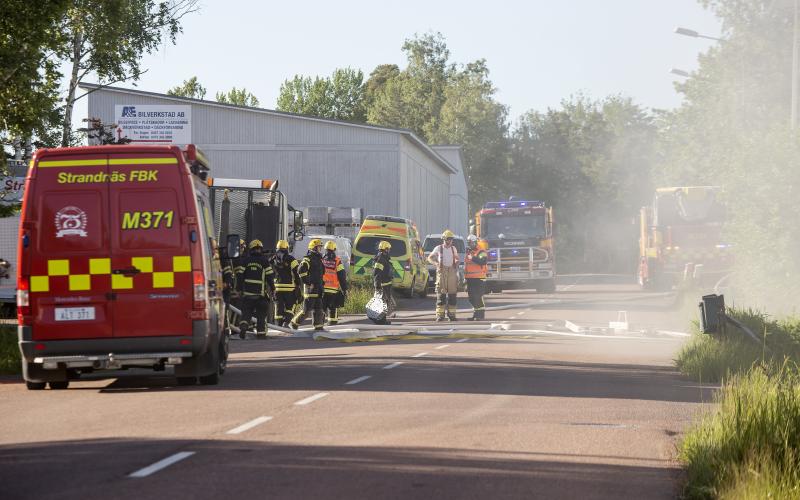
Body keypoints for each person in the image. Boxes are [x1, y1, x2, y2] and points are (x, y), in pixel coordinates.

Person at [236, 239, 275, 339]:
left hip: (248, 294)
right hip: (260, 295)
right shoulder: (264, 261)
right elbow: (270, 276)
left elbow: (240, 276)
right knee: (261, 314)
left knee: (246, 312)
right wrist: (273, 288)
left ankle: (244, 325)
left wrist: (239, 289)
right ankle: (261, 334)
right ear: (260, 249)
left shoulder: (245, 261)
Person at [290, 239, 326, 331]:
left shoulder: (319, 259)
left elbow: (321, 273)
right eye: (318, 247)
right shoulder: (307, 259)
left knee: (319, 309)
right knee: (306, 311)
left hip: (318, 288)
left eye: (320, 247)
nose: (320, 249)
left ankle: (318, 327)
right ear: (313, 248)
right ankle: (293, 323)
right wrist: (308, 283)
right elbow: (300, 271)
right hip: (310, 289)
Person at [428, 229, 460, 322]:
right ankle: (440, 316)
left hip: (451, 272)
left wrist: (457, 262)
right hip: (442, 272)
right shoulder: (438, 248)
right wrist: (436, 264)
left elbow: (456, 258)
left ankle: (452, 315)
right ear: (444, 239)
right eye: (448, 239)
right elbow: (429, 258)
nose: (450, 241)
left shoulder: (453, 248)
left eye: (451, 239)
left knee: (452, 295)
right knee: (441, 295)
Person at [272, 239, 300, 328]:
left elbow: (268, 271)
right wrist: (297, 284)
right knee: (292, 305)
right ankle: (286, 322)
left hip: (277, 287)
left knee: (278, 306)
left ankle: (278, 325)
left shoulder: (272, 259)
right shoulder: (291, 259)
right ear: (287, 248)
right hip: (289, 288)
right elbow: (297, 272)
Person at [322, 240, 348, 325]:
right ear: (334, 250)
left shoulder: (321, 260)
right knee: (333, 307)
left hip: (322, 289)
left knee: (322, 308)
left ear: (325, 249)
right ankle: (332, 324)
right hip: (333, 290)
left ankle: (319, 324)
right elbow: (342, 277)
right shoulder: (337, 261)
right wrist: (344, 289)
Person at [464, 235, 488, 321]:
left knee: (478, 296)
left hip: (479, 278)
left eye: (470, 243)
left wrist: (473, 258)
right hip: (470, 278)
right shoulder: (469, 252)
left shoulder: (481, 251)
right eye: (468, 243)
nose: (469, 244)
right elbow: (467, 265)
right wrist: (464, 277)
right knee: (471, 297)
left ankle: (480, 315)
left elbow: (483, 261)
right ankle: (475, 314)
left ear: (474, 242)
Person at [373, 240, 395, 322]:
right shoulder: (380, 259)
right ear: (385, 249)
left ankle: (383, 319)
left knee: (385, 303)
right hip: (382, 285)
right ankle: (381, 320)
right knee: (382, 303)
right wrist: (377, 286)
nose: (389, 251)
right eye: (388, 249)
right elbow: (377, 273)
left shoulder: (384, 258)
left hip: (386, 284)